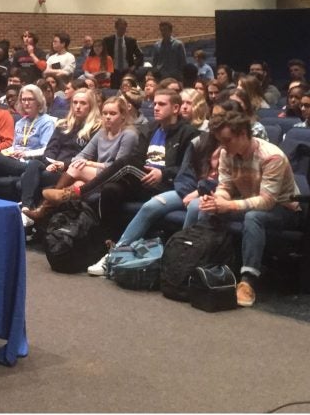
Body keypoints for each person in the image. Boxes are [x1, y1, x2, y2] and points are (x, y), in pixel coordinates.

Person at [195, 110, 301, 307]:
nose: (223, 146)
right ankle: (203, 265)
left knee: (254, 217)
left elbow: (267, 201)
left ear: (243, 134)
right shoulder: (227, 152)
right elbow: (226, 187)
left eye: (227, 140)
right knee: (203, 208)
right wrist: (216, 201)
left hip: (284, 209)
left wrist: (228, 205)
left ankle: (247, 281)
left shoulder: (271, 157)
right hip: (248, 201)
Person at [88, 129, 222, 276]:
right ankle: (115, 254)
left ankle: (180, 260)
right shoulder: (200, 141)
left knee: (196, 207)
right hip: (188, 190)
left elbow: (227, 182)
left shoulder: (232, 145)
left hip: (213, 193)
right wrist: (190, 191)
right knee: (150, 206)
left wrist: (199, 192)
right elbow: (186, 173)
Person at [23, 96, 140, 223]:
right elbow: (80, 155)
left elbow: (118, 167)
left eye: (112, 113)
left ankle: (43, 208)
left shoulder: (129, 135)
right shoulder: (102, 132)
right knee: (76, 184)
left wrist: (90, 163)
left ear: (123, 116)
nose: (107, 117)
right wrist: (81, 161)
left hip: (116, 178)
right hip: (98, 176)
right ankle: (54, 226)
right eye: (105, 113)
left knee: (76, 169)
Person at [18, 88, 101, 211]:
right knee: (34, 164)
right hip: (54, 166)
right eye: (75, 102)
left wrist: (64, 165)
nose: (78, 106)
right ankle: (26, 207)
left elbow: (90, 157)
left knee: (29, 177)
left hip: (72, 171)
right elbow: (50, 149)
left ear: (91, 106)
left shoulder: (97, 128)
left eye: (83, 103)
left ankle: (31, 210)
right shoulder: (63, 125)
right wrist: (50, 163)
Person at [103, 18, 144, 87]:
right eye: (120, 28)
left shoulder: (131, 41)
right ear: (116, 27)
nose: (122, 31)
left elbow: (140, 56)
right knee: (114, 92)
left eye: (124, 28)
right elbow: (102, 55)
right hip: (113, 71)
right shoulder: (108, 40)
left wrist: (134, 66)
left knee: (129, 90)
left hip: (127, 71)